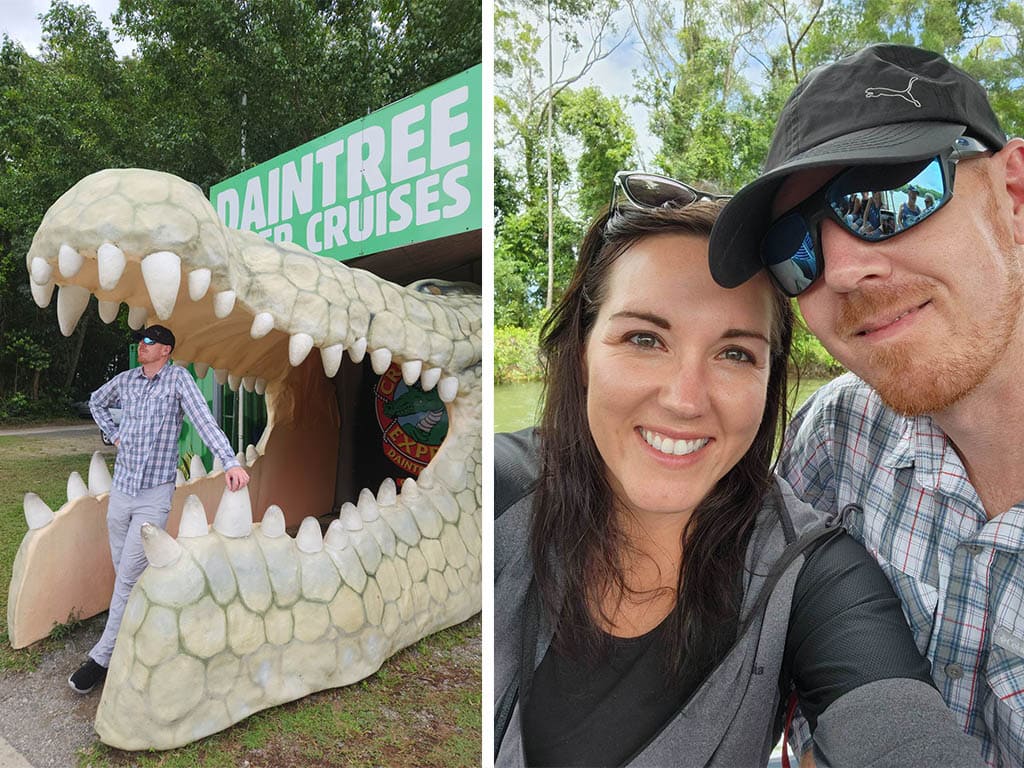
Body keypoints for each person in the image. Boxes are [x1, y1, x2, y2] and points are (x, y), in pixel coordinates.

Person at [494, 173, 983, 767]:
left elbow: (898, 733)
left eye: (734, 353)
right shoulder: (502, 486)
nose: (685, 399)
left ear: (769, 379)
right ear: (582, 356)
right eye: (645, 338)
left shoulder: (814, 576)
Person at [708, 43, 1023, 767]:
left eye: (889, 195)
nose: (845, 270)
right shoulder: (837, 431)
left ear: (1013, 197)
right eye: (797, 248)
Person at [68, 324, 250, 694]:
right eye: (140, 340)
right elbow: (96, 400)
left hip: (154, 494)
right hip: (122, 490)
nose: (141, 345)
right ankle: (145, 623)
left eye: (148, 341)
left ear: (166, 349)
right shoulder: (126, 380)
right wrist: (112, 433)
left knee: (129, 573)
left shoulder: (178, 381)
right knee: (126, 573)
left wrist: (230, 462)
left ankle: (101, 658)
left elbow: (204, 421)